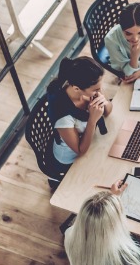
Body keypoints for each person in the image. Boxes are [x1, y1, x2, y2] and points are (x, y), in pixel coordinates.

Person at [46, 56, 112, 189]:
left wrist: (103, 100)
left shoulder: (88, 88)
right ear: (76, 88)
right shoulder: (63, 116)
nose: (100, 91)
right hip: (70, 159)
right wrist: (92, 120)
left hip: (90, 142)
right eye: (96, 89)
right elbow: (80, 150)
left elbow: (108, 111)